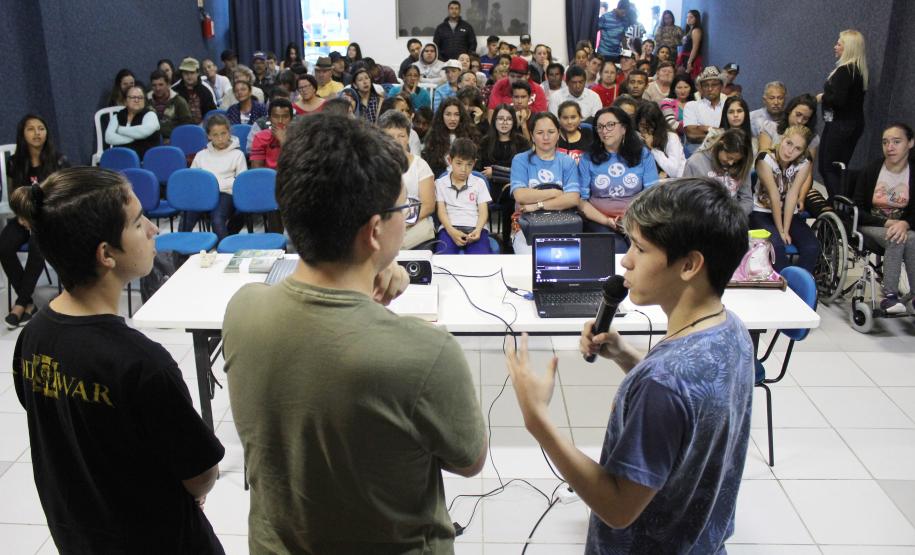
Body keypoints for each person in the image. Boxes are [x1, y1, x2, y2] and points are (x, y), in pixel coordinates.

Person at [224, 113, 486, 553]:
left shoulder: (243, 309)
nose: (407, 217)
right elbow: (470, 460)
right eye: (403, 209)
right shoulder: (426, 352)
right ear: (375, 230)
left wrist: (372, 280)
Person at [507, 176, 753, 553]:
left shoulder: (662, 383)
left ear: (689, 265)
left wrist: (538, 421)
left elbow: (618, 507)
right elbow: (691, 404)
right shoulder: (731, 329)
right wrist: (624, 354)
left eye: (640, 248)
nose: (626, 260)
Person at [11, 167, 225, 553]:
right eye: (138, 221)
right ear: (106, 254)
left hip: (81, 537)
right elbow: (200, 475)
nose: (152, 230)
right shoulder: (141, 363)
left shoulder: (33, 336)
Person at [1, 115, 68, 328]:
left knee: (38, 246)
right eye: (31, 129)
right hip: (24, 217)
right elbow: (14, 195)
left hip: (50, 218)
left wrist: (40, 216)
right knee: (4, 245)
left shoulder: (58, 160)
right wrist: (22, 214)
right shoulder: (15, 162)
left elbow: (64, 196)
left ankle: (21, 304)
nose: (37, 133)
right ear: (23, 134)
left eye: (41, 128)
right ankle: (29, 303)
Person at [853, 123, 915, 314]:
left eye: (897, 142)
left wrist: (905, 223)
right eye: (885, 142)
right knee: (895, 237)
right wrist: (886, 223)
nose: (890, 147)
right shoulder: (871, 170)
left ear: (910, 143)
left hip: (903, 226)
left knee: (912, 239)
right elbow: (857, 209)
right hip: (872, 223)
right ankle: (889, 296)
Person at [578, 106, 659, 251]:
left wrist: (633, 220)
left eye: (610, 125)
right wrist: (607, 221)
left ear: (624, 128)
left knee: (646, 248)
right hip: (599, 220)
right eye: (600, 127)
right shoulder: (588, 158)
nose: (604, 131)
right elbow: (581, 201)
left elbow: (652, 194)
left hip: (637, 219)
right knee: (617, 248)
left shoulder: (643, 154)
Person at [510, 112, 581, 253]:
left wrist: (537, 205)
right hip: (526, 224)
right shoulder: (520, 160)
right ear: (532, 135)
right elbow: (520, 196)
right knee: (530, 260)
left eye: (551, 132)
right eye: (540, 132)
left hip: (564, 223)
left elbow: (573, 199)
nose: (546, 137)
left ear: (558, 133)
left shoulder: (567, 161)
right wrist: (555, 193)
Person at [751, 125, 819, 273]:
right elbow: (774, 195)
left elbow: (792, 194)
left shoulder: (805, 162)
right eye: (789, 143)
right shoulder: (765, 158)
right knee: (776, 245)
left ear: (803, 151)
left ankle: (800, 285)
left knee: (812, 247)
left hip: (789, 213)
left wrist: (786, 229)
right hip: (762, 211)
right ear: (782, 139)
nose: (790, 151)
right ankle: (785, 286)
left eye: (798, 148)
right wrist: (782, 232)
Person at [818, 29, 869, 197]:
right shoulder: (859, 71)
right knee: (838, 167)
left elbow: (838, 100)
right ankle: (840, 203)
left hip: (840, 126)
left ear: (849, 48)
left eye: (839, 44)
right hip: (852, 126)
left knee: (828, 168)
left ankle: (839, 206)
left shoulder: (845, 71)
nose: (835, 47)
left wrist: (823, 97)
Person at [181, 115, 247, 241]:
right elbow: (192, 179)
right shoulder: (201, 155)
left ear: (229, 132)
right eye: (215, 135)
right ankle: (179, 254)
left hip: (226, 194)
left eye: (223, 133)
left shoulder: (237, 155)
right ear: (209, 136)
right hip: (203, 194)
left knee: (217, 220)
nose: (220, 138)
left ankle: (224, 253)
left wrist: (216, 185)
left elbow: (240, 183)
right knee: (186, 218)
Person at [378, 110, 436, 248]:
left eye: (401, 135)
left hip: (415, 223)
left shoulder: (420, 165)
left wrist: (405, 223)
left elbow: (428, 205)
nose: (396, 141)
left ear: (408, 137)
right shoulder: (375, 164)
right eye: (390, 136)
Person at [434, 138, 492, 254]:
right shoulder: (440, 183)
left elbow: (483, 211)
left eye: (469, 165)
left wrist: (478, 230)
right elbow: (441, 211)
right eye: (459, 163)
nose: (464, 170)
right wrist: (451, 231)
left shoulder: (479, 183)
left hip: (475, 227)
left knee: (481, 260)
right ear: (450, 160)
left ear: (474, 163)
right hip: (449, 228)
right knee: (444, 257)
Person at [684, 128, 754, 215]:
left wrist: (734, 216)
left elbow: (747, 200)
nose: (731, 163)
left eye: (736, 160)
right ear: (720, 145)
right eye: (729, 157)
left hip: (734, 219)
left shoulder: (741, 164)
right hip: (704, 218)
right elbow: (686, 200)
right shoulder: (695, 162)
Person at [421, 97, 480, 177]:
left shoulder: (470, 135)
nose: (452, 119)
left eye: (456, 114)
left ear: (461, 116)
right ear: (441, 116)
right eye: (448, 114)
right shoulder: (433, 137)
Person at [104, 85, 161, 159]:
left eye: (140, 98)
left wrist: (119, 130)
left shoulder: (150, 115)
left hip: (146, 158)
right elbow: (109, 137)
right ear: (126, 100)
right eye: (133, 97)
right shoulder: (117, 116)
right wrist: (135, 137)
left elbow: (143, 132)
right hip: (120, 157)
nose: (137, 100)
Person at [683, 66, 726, 157]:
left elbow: (736, 132)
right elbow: (691, 134)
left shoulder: (729, 105)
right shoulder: (691, 106)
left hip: (725, 152)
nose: (710, 89)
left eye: (714, 84)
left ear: (721, 86)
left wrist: (705, 129)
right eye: (706, 85)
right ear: (701, 88)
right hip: (698, 153)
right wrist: (721, 133)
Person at [636, 100, 685, 178]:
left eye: (649, 125)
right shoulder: (635, 137)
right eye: (642, 125)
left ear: (657, 123)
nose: (645, 130)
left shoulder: (671, 137)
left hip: (672, 182)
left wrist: (653, 149)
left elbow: (674, 171)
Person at [147, 69, 193, 141]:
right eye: (154, 85)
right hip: (151, 142)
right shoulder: (146, 102)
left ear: (168, 84)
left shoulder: (179, 101)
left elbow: (187, 126)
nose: (157, 88)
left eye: (161, 84)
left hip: (175, 141)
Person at [250, 99, 293, 170]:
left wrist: (283, 142)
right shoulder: (260, 137)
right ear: (269, 118)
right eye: (276, 116)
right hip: (267, 178)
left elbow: (297, 168)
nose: (280, 121)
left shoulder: (299, 137)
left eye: (285, 117)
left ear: (291, 118)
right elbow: (256, 171)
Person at [172, 57, 217, 124]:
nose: (189, 76)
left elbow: (212, 114)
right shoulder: (174, 91)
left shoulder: (205, 91)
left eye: (192, 73)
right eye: (186, 73)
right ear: (182, 74)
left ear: (197, 73)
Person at [677, 9, 704, 79]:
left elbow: (695, 47)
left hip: (691, 58)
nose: (688, 19)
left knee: (688, 78)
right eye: (687, 17)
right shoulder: (689, 30)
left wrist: (690, 62)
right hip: (685, 57)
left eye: (691, 17)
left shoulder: (696, 30)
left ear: (696, 18)